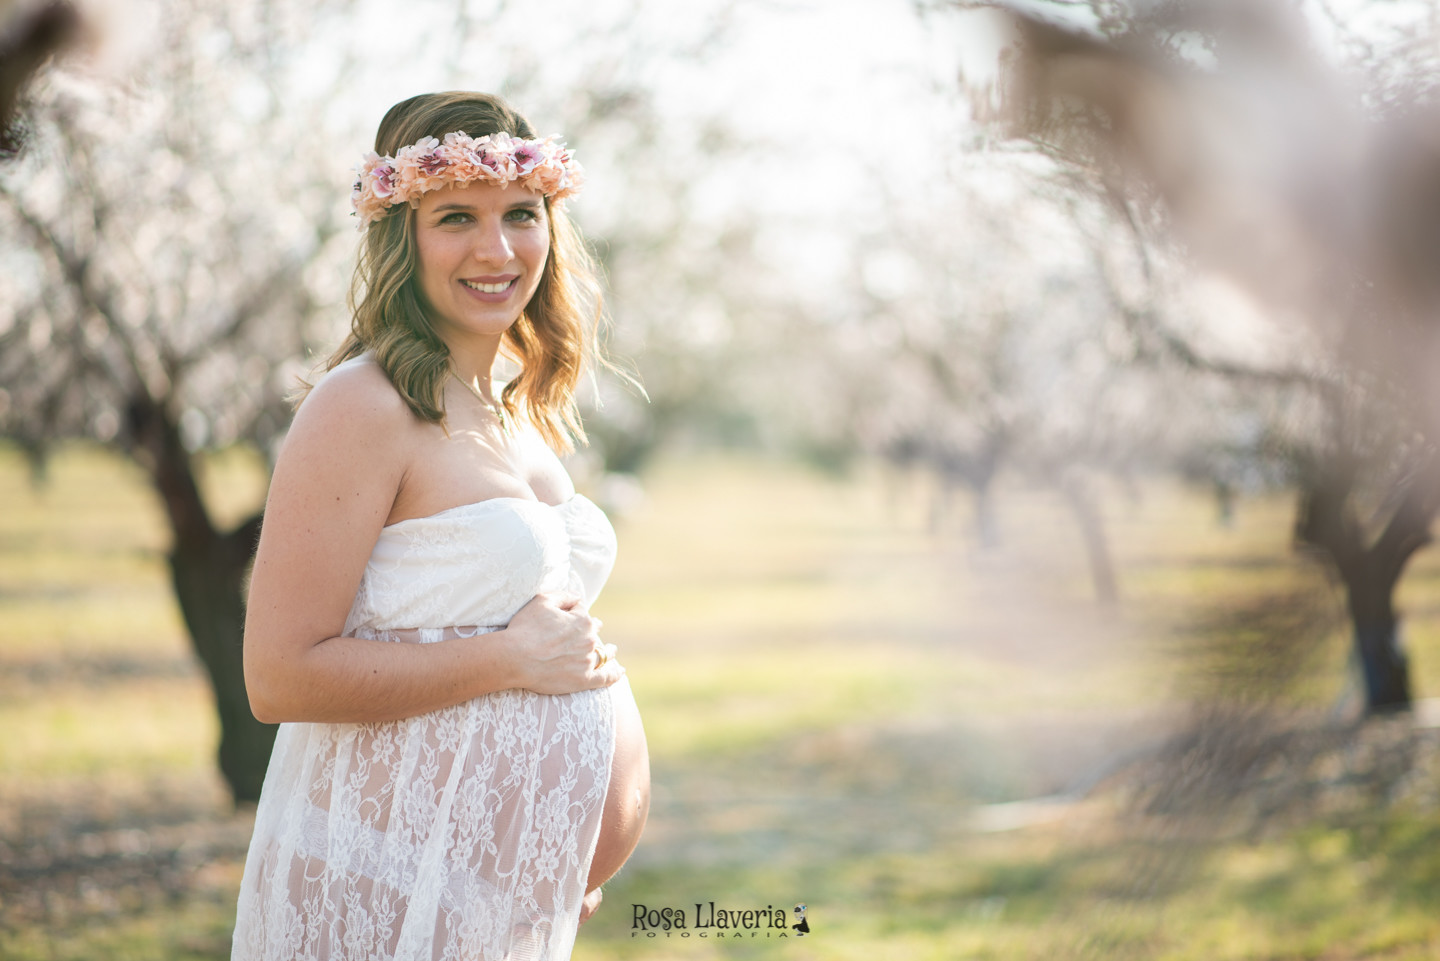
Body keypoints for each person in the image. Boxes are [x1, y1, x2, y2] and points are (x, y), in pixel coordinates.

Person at [232, 91, 651, 961]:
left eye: (521, 214)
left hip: (489, 897)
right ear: (400, 234)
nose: (497, 249)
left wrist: (557, 853)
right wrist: (507, 660)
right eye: (456, 216)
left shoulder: (512, 404)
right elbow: (278, 675)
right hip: (386, 883)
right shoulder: (363, 404)